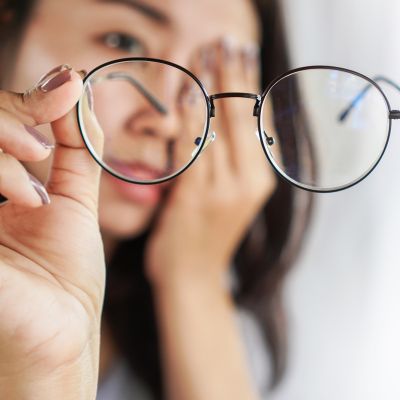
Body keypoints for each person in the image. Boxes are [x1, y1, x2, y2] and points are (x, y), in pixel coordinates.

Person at [0, 0, 311, 399]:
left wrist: (193, 276)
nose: (166, 119)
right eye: (123, 41)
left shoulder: (170, 345)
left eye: (211, 75)